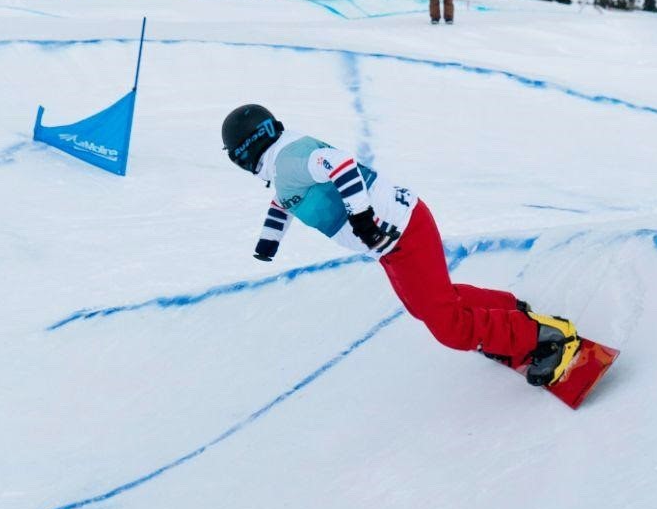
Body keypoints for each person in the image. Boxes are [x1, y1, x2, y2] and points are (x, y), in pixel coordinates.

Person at [220, 103, 582, 387]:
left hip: (401, 232)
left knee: (449, 327)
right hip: (390, 240)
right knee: (429, 305)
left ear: (243, 152)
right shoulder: (283, 160)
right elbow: (284, 201)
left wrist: (361, 218)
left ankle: (549, 338)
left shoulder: (289, 160)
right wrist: (268, 243)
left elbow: (341, 165)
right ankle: (510, 314)